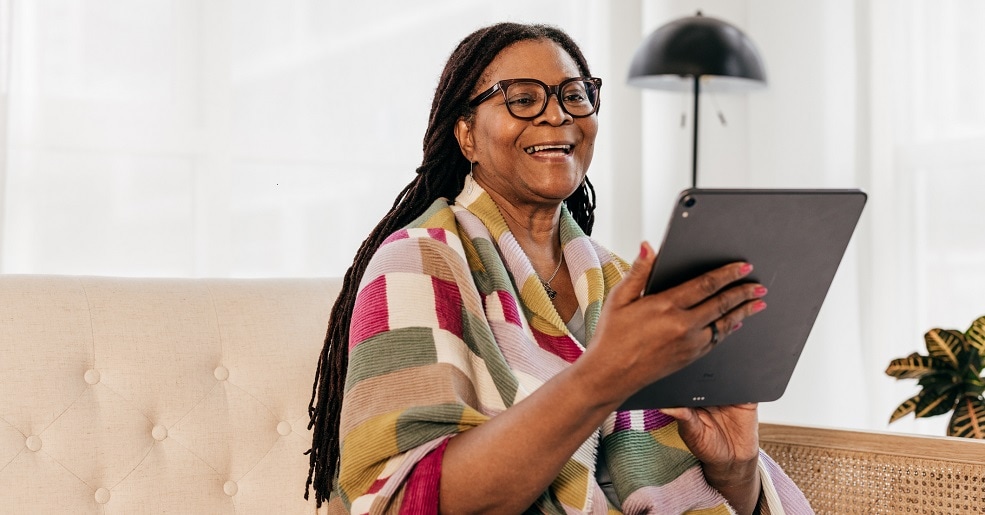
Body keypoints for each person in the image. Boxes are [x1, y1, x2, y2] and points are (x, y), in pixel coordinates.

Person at [306, 22, 811, 514]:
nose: (557, 115)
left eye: (574, 95)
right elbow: (407, 500)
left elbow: (730, 503)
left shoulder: (622, 281)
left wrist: (734, 465)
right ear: (467, 136)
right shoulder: (418, 260)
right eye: (522, 98)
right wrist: (603, 375)